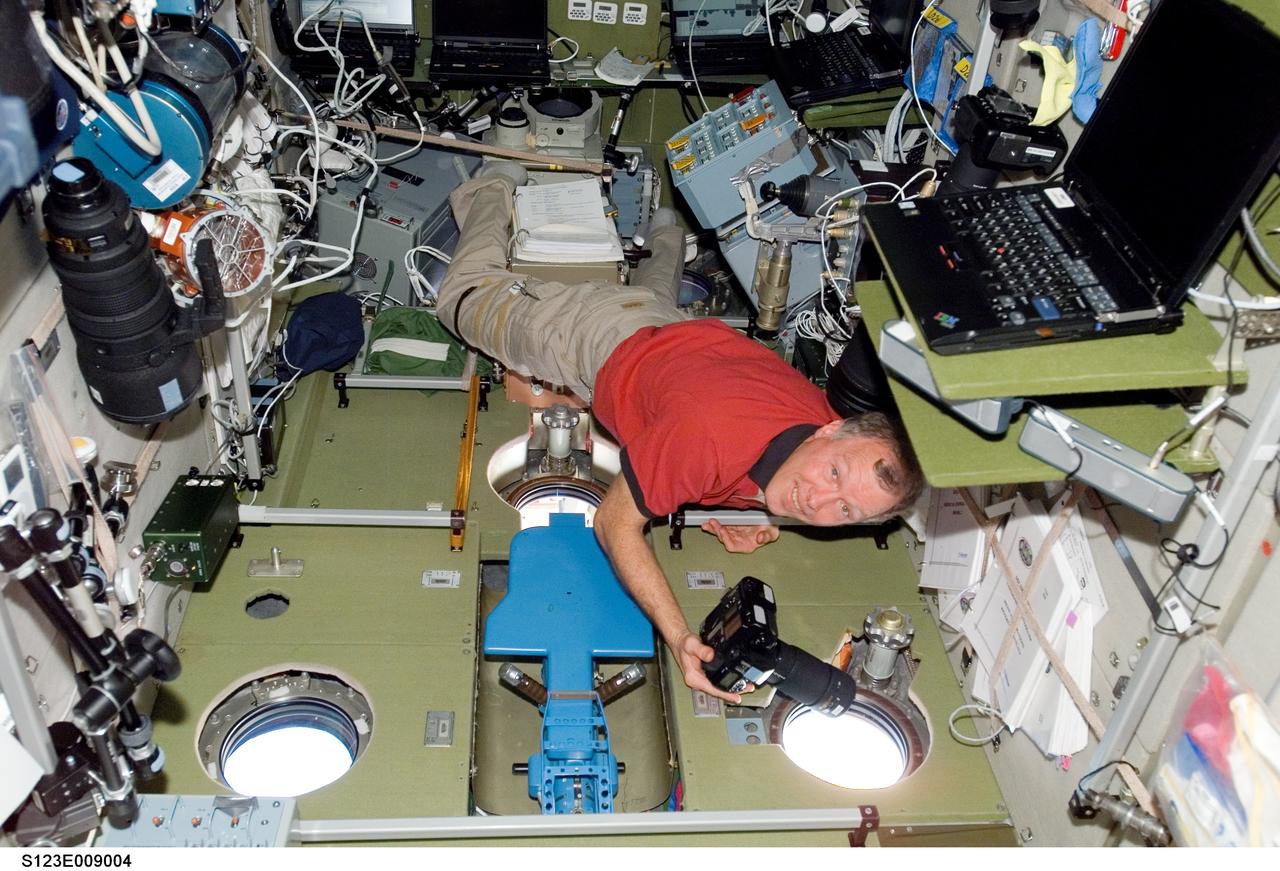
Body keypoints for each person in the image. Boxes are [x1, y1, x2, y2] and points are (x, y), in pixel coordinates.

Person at [437, 163, 924, 702]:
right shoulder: (706, 438)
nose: (818, 500)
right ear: (830, 432)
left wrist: (762, 512)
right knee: (461, 301)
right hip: (594, 337)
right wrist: (678, 637)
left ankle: (668, 233)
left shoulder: (814, 421)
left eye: (846, 510)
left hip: (674, 333)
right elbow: (615, 524)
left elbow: (768, 473)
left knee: (652, 305)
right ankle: (490, 188)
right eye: (834, 474)